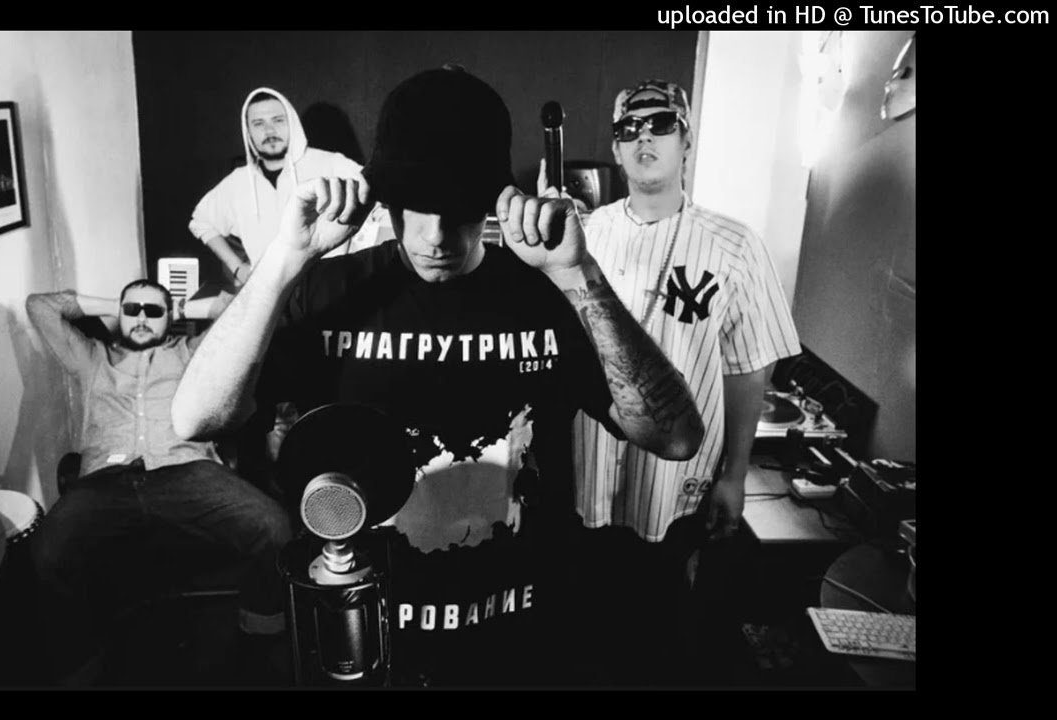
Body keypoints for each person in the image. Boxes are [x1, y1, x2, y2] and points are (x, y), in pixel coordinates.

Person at [170, 66, 703, 686]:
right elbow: (196, 418)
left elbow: (675, 436)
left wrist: (579, 273)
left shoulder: (546, 294)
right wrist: (287, 258)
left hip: (518, 642)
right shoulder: (327, 292)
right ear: (385, 197)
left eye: (458, 208)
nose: (436, 235)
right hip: (362, 636)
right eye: (415, 206)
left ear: (494, 201)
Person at [571, 79, 801, 682]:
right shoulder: (583, 235)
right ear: (615, 149)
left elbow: (748, 366)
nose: (643, 137)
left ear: (686, 139)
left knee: (661, 629)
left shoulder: (735, 245)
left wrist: (735, 475)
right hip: (585, 471)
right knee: (585, 632)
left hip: (674, 486)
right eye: (628, 128)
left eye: (661, 124)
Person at [25, 280, 292, 684]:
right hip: (104, 483)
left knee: (274, 527)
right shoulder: (91, 358)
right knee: (48, 549)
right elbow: (39, 306)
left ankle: (259, 643)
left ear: (171, 318)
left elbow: (245, 307)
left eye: (153, 311)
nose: (141, 318)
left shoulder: (192, 353)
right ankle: (82, 666)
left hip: (186, 471)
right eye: (132, 310)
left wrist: (180, 307)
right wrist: (115, 303)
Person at [189, 87, 366, 288]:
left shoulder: (330, 164)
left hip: (328, 291)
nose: (269, 131)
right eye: (258, 123)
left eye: (278, 120)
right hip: (268, 295)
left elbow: (377, 200)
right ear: (248, 131)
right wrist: (237, 267)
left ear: (292, 122)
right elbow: (201, 222)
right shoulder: (238, 182)